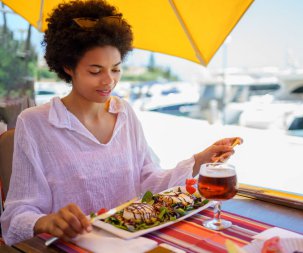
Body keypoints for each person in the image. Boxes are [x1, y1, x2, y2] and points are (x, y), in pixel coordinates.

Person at [0, 0, 242, 245]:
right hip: (73, 246)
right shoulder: (36, 124)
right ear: (67, 67)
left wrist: (199, 160)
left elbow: (148, 181)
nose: (109, 81)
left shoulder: (123, 113)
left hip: (134, 244)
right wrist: (47, 221)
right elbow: (16, 217)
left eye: (115, 69)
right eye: (95, 71)